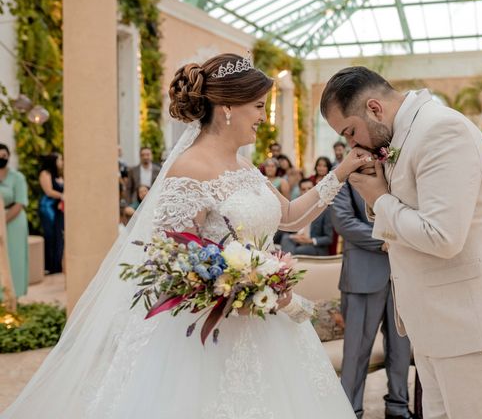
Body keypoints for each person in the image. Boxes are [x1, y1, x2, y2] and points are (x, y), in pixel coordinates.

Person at [3, 53, 372, 418]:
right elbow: (169, 263)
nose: (263, 117)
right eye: (259, 106)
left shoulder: (244, 166)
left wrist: (342, 170)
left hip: (266, 321)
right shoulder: (189, 169)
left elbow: (290, 217)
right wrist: (241, 284)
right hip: (210, 334)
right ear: (228, 106)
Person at [321, 66, 482, 419]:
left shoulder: (441, 130)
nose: (352, 145)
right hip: (438, 325)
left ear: (374, 109)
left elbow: (443, 236)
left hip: (473, 328)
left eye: (350, 132)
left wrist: (379, 199)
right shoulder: (403, 134)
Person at [331, 181, 412, 419]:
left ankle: (398, 407)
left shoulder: (395, 173)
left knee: (401, 346)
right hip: (362, 275)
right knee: (357, 350)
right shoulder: (343, 179)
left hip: (401, 273)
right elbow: (344, 221)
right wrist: (387, 239)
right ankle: (350, 411)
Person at [0, 144, 29, 297]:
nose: (1, 159)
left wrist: (2, 221)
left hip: (14, 221)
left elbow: (20, 203)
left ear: (8, 157)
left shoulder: (17, 178)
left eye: (3, 156)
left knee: (14, 256)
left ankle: (15, 294)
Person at [281, 178, 334, 256]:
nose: (307, 191)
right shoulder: (296, 207)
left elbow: (329, 238)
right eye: (303, 189)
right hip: (298, 241)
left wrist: (310, 240)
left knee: (298, 251)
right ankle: (287, 262)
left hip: (314, 246)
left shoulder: (324, 210)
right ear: (300, 191)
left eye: (309, 188)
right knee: (285, 238)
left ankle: (288, 262)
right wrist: (296, 236)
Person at [38, 152, 64, 274]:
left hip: (58, 208)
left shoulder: (58, 175)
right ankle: (49, 266)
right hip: (48, 207)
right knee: (50, 235)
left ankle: (57, 265)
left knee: (58, 235)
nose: (61, 162)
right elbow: (48, 191)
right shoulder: (45, 174)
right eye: (59, 159)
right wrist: (63, 196)